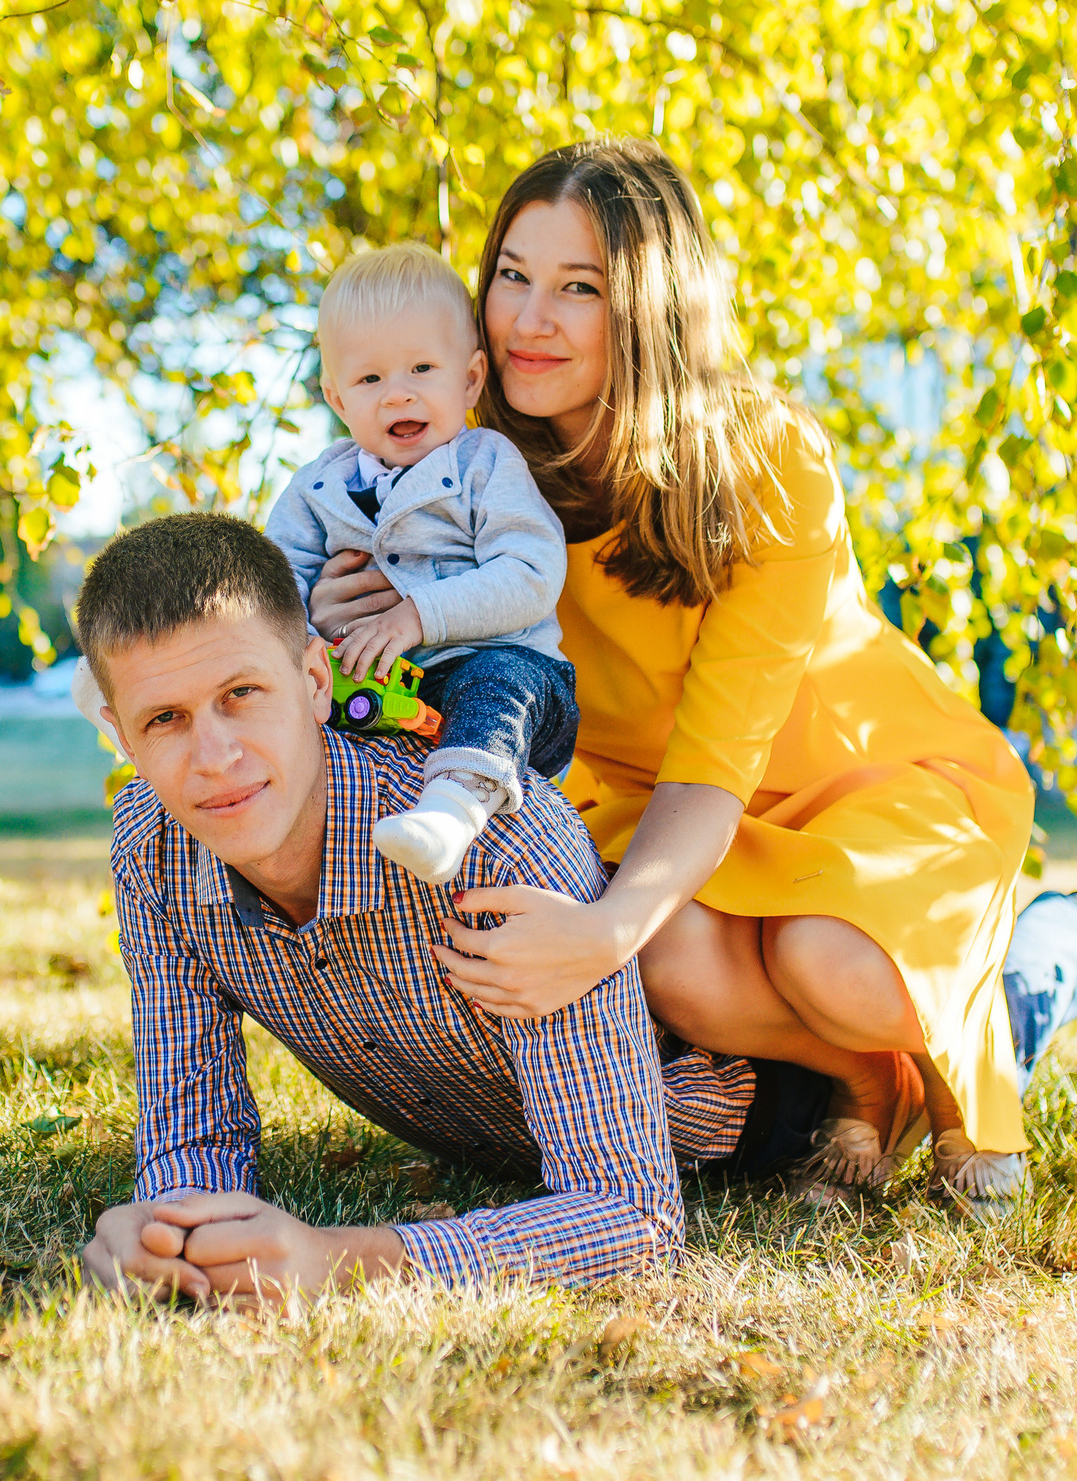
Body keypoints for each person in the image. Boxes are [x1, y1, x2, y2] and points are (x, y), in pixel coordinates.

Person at [308, 140, 1077, 1200]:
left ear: (652, 308)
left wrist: (603, 931)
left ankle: (1073, 940)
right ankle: (878, 1078)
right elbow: (400, 643)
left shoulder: (764, 462)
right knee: (678, 969)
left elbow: (718, 756)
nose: (529, 318)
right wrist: (345, 611)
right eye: (512, 276)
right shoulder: (459, 455)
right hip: (641, 800)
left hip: (857, 786)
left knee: (833, 964)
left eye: (580, 288)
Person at [73, 512, 810, 1298]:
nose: (215, 757)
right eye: (165, 719)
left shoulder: (495, 841)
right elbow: (192, 1134)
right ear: (121, 734)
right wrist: (166, 1227)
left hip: (746, 1115)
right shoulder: (151, 852)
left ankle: (880, 1087)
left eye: (242, 693)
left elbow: (632, 1217)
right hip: (495, 1138)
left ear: (316, 682)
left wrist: (342, 1259)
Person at [262, 243, 578, 885]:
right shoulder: (319, 487)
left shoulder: (483, 464)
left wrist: (418, 616)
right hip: (380, 689)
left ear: (469, 379)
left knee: (496, 681)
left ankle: (452, 812)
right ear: (335, 396)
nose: (396, 395)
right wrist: (299, 638)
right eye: (370, 379)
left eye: (421, 369)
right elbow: (271, 581)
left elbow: (532, 571)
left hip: (508, 673)